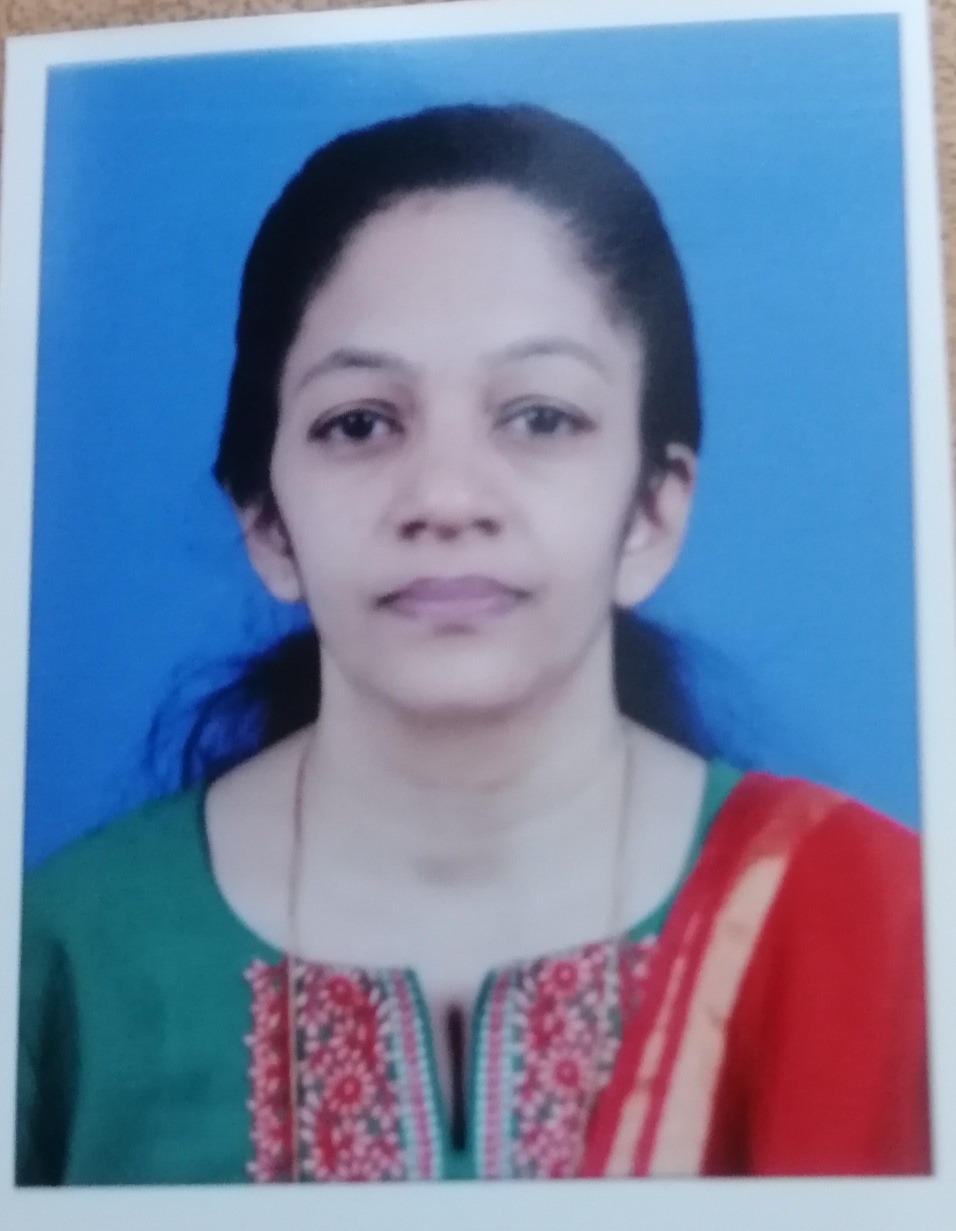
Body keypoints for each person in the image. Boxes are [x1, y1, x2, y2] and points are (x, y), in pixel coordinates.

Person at [16, 104, 929, 1186]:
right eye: (360, 422)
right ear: (267, 522)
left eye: (539, 416)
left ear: (652, 510)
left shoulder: (884, 926)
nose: (446, 497)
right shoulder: (63, 959)